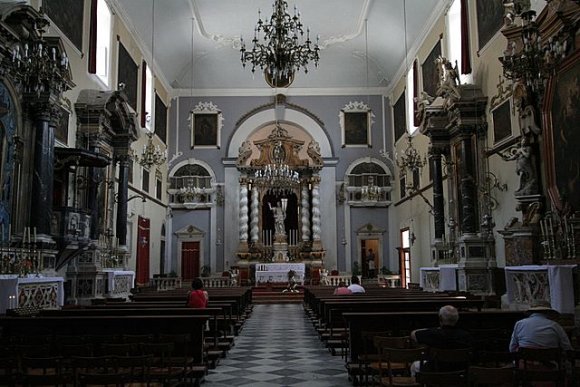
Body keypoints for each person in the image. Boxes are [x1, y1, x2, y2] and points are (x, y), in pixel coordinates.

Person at [410, 305, 472, 373]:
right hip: (459, 370)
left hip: (435, 370)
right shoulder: (466, 335)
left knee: (415, 365)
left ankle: (421, 383)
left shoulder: (433, 333)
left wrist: (432, 329)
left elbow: (414, 334)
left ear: (440, 318)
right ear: (457, 319)